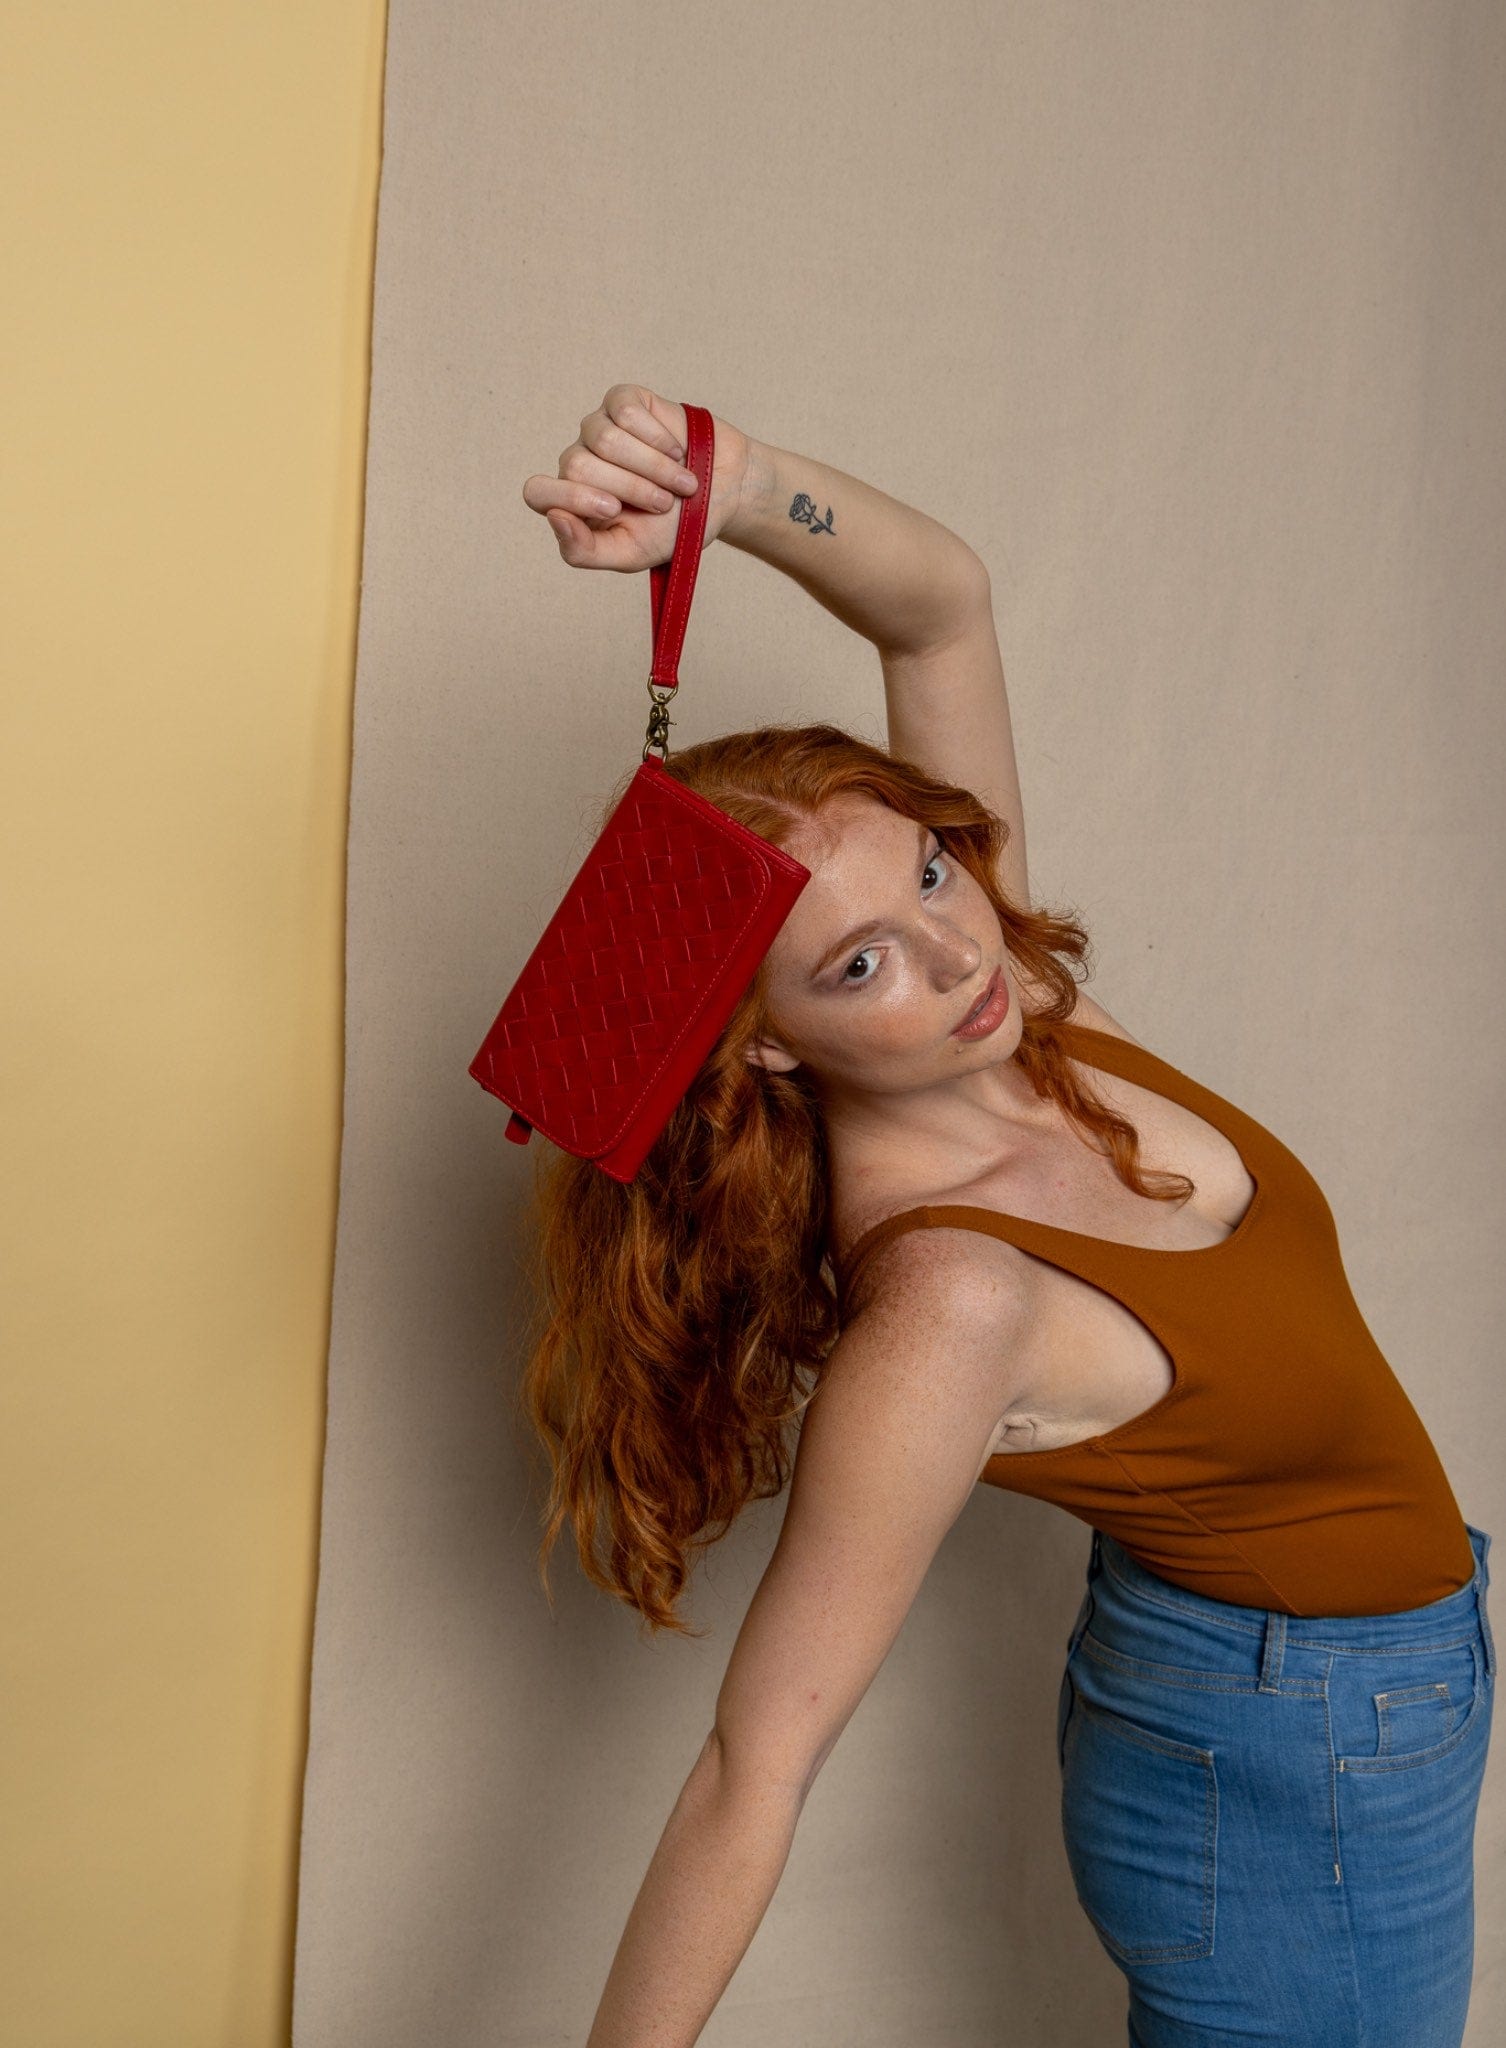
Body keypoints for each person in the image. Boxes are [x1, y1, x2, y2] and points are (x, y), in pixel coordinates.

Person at [516, 386, 1494, 2047]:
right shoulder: (951, 1302)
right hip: (1277, 1751)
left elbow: (940, 601)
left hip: (1342, 1693)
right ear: (758, 1041)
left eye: (928, 874)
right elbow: (757, 1769)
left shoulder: (1021, 1003)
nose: (952, 951)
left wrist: (733, 489)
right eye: (855, 965)